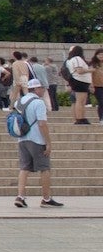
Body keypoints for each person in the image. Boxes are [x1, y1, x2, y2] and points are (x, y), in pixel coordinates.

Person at [13, 76, 61, 209]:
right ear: (36, 89)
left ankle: (20, 196)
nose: (43, 90)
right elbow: (42, 124)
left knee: (24, 168)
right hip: (37, 139)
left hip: (22, 138)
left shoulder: (19, 101)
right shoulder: (39, 103)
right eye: (41, 88)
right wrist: (48, 142)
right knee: (45, 168)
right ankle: (46, 198)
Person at [70, 46, 95, 125]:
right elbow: (79, 70)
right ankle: (79, 118)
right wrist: (91, 70)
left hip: (82, 82)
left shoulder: (75, 59)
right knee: (80, 101)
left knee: (82, 101)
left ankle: (82, 117)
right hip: (79, 81)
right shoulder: (77, 59)